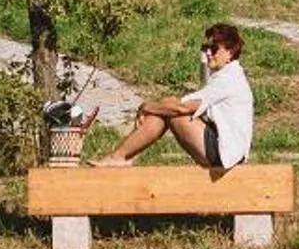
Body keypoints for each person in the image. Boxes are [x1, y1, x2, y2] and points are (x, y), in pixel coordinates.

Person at [93, 21, 252, 169]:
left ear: (230, 52)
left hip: (226, 154)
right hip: (224, 148)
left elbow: (181, 109)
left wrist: (147, 107)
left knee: (170, 111)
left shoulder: (228, 79)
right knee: (167, 105)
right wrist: (155, 107)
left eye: (214, 48)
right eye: (206, 48)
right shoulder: (224, 74)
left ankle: (120, 156)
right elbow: (178, 104)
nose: (208, 53)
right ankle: (122, 156)